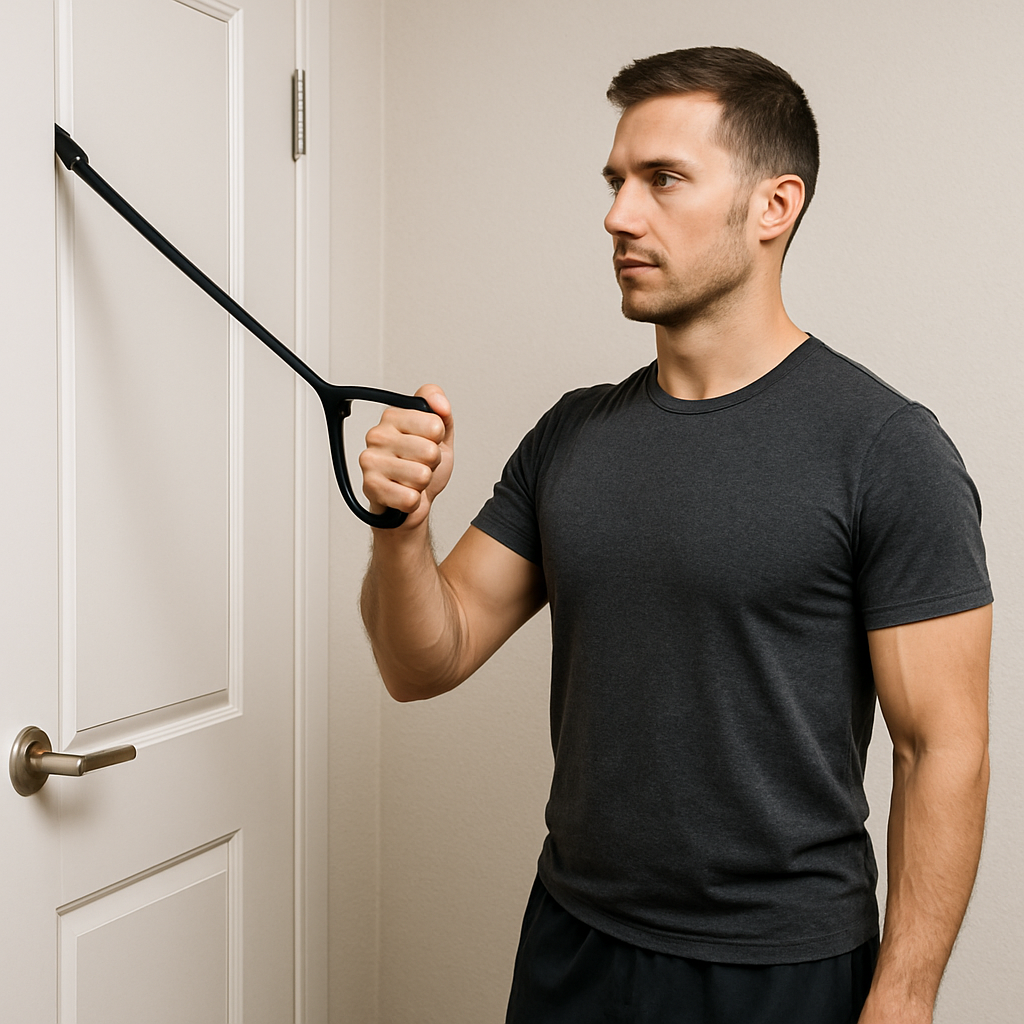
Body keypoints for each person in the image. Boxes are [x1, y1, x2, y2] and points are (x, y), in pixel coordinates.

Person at [358, 46, 992, 1024]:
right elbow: (422, 662)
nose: (618, 215)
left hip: (780, 971)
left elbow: (941, 745)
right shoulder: (573, 434)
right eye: (615, 182)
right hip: (572, 944)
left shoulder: (884, 449)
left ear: (774, 205)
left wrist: (903, 999)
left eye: (662, 179)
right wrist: (402, 527)